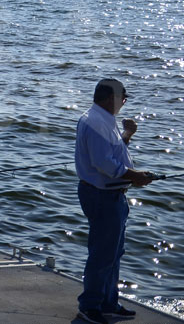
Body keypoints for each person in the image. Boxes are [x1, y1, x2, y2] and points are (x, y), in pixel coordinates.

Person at [75, 79, 153, 324]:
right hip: (102, 196)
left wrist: (127, 134)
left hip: (112, 195)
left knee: (114, 252)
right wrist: (136, 176)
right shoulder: (97, 122)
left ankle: (108, 302)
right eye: (123, 99)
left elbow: (113, 152)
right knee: (102, 254)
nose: (123, 103)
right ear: (111, 99)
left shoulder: (102, 119)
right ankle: (90, 306)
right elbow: (105, 164)